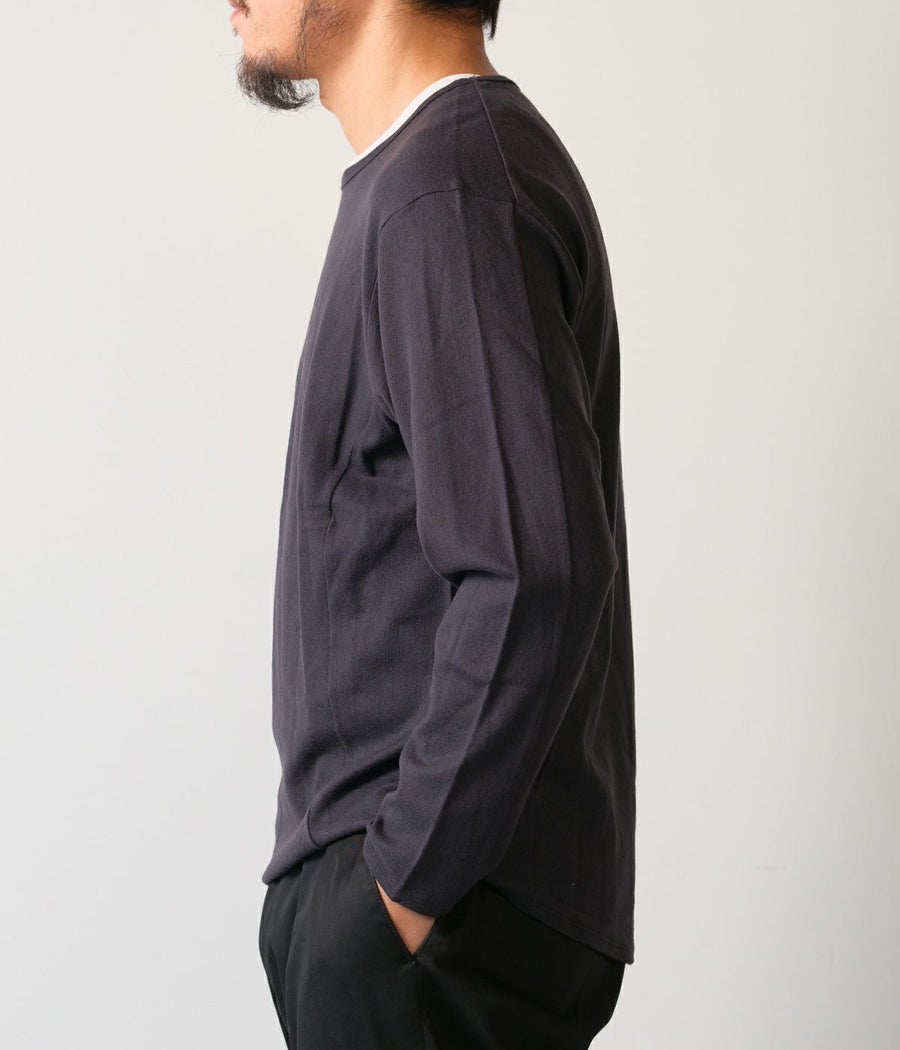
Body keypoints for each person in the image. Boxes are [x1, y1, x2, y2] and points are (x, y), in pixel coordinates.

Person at [230, 2, 636, 1046]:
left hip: (438, 926)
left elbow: (534, 570)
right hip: (425, 916)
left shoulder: (446, 187)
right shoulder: (431, 178)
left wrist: (399, 889)